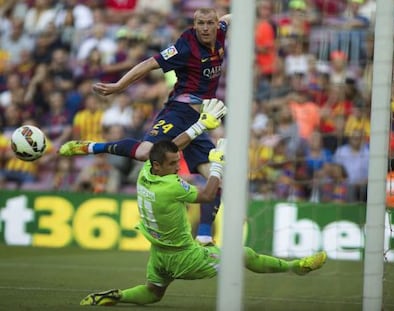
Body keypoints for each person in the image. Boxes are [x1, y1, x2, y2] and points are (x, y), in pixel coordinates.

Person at [79, 139, 327, 306]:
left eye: (178, 162)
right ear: (157, 164)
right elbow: (208, 195)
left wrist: (200, 126)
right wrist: (217, 164)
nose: (178, 167)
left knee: (154, 293)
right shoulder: (172, 186)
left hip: (159, 254)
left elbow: (166, 149)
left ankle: (116, 296)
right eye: (173, 164)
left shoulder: (145, 174)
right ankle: (296, 266)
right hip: (185, 257)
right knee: (244, 254)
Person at [59, 8, 231, 244]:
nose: (205, 28)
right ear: (194, 23)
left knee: (215, 178)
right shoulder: (185, 46)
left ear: (215, 24)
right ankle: (92, 147)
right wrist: (120, 85)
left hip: (200, 120)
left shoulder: (221, 32)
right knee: (144, 153)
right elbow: (149, 64)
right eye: (200, 23)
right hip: (179, 113)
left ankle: (203, 237)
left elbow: (228, 19)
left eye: (209, 23)